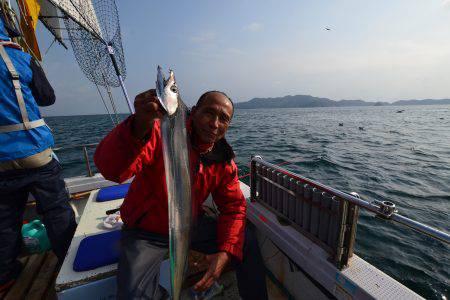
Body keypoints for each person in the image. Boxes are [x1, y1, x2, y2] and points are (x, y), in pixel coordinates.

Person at [94, 89, 268, 299]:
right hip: (146, 231)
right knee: (133, 294)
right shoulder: (161, 134)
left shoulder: (223, 161)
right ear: (193, 112)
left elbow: (233, 208)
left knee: (245, 240)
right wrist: (138, 126)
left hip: (189, 225)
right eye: (209, 113)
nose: (214, 123)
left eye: (223, 119)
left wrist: (225, 252)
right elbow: (112, 170)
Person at [0, 14, 76, 292]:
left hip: (1, 163)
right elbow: (47, 97)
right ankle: (68, 264)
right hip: (36, 154)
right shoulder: (19, 57)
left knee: (5, 222)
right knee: (56, 212)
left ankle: (5, 275)